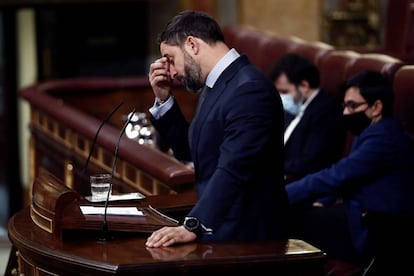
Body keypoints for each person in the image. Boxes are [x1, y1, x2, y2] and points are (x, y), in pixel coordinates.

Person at [145, 10, 289, 248]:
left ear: (192, 44)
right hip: (222, 228)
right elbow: (192, 153)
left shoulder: (249, 89)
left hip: (247, 240)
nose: (170, 71)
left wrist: (193, 224)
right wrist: (163, 101)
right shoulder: (217, 83)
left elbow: (234, 168)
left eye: (170, 58)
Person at [285, 70, 414, 269]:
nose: (345, 112)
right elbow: (348, 178)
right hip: (353, 212)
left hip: (371, 228)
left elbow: (337, 175)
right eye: (344, 105)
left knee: (287, 217)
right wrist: (323, 200)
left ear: (376, 107)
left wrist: (281, 195)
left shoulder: (383, 138)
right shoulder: (373, 131)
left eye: (352, 106)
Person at [268, 53, 345, 183]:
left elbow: (313, 162)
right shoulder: (295, 104)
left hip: (299, 181)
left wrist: (269, 167)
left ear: (304, 85)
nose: (281, 97)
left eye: (284, 92)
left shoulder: (326, 110)